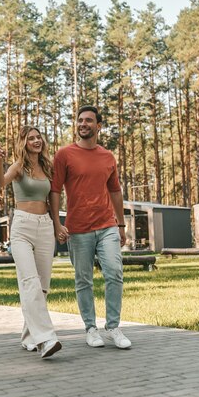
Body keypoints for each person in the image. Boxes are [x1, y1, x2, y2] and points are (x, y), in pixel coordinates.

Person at [49, 105, 131, 350]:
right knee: (83, 280)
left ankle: (114, 326)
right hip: (78, 228)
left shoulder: (107, 156)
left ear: (99, 126)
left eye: (89, 120)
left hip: (107, 225)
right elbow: (54, 190)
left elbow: (115, 191)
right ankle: (90, 328)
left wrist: (121, 224)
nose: (83, 124)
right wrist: (57, 223)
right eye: (80, 120)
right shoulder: (64, 154)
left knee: (114, 272)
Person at [0, 126, 62, 359]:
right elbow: (0, 183)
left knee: (42, 287)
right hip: (22, 226)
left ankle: (28, 338)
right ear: (23, 143)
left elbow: (54, 197)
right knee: (30, 282)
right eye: (30, 138)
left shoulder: (47, 167)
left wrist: (57, 225)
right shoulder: (18, 166)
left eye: (38, 137)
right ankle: (46, 339)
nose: (36, 141)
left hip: (44, 225)